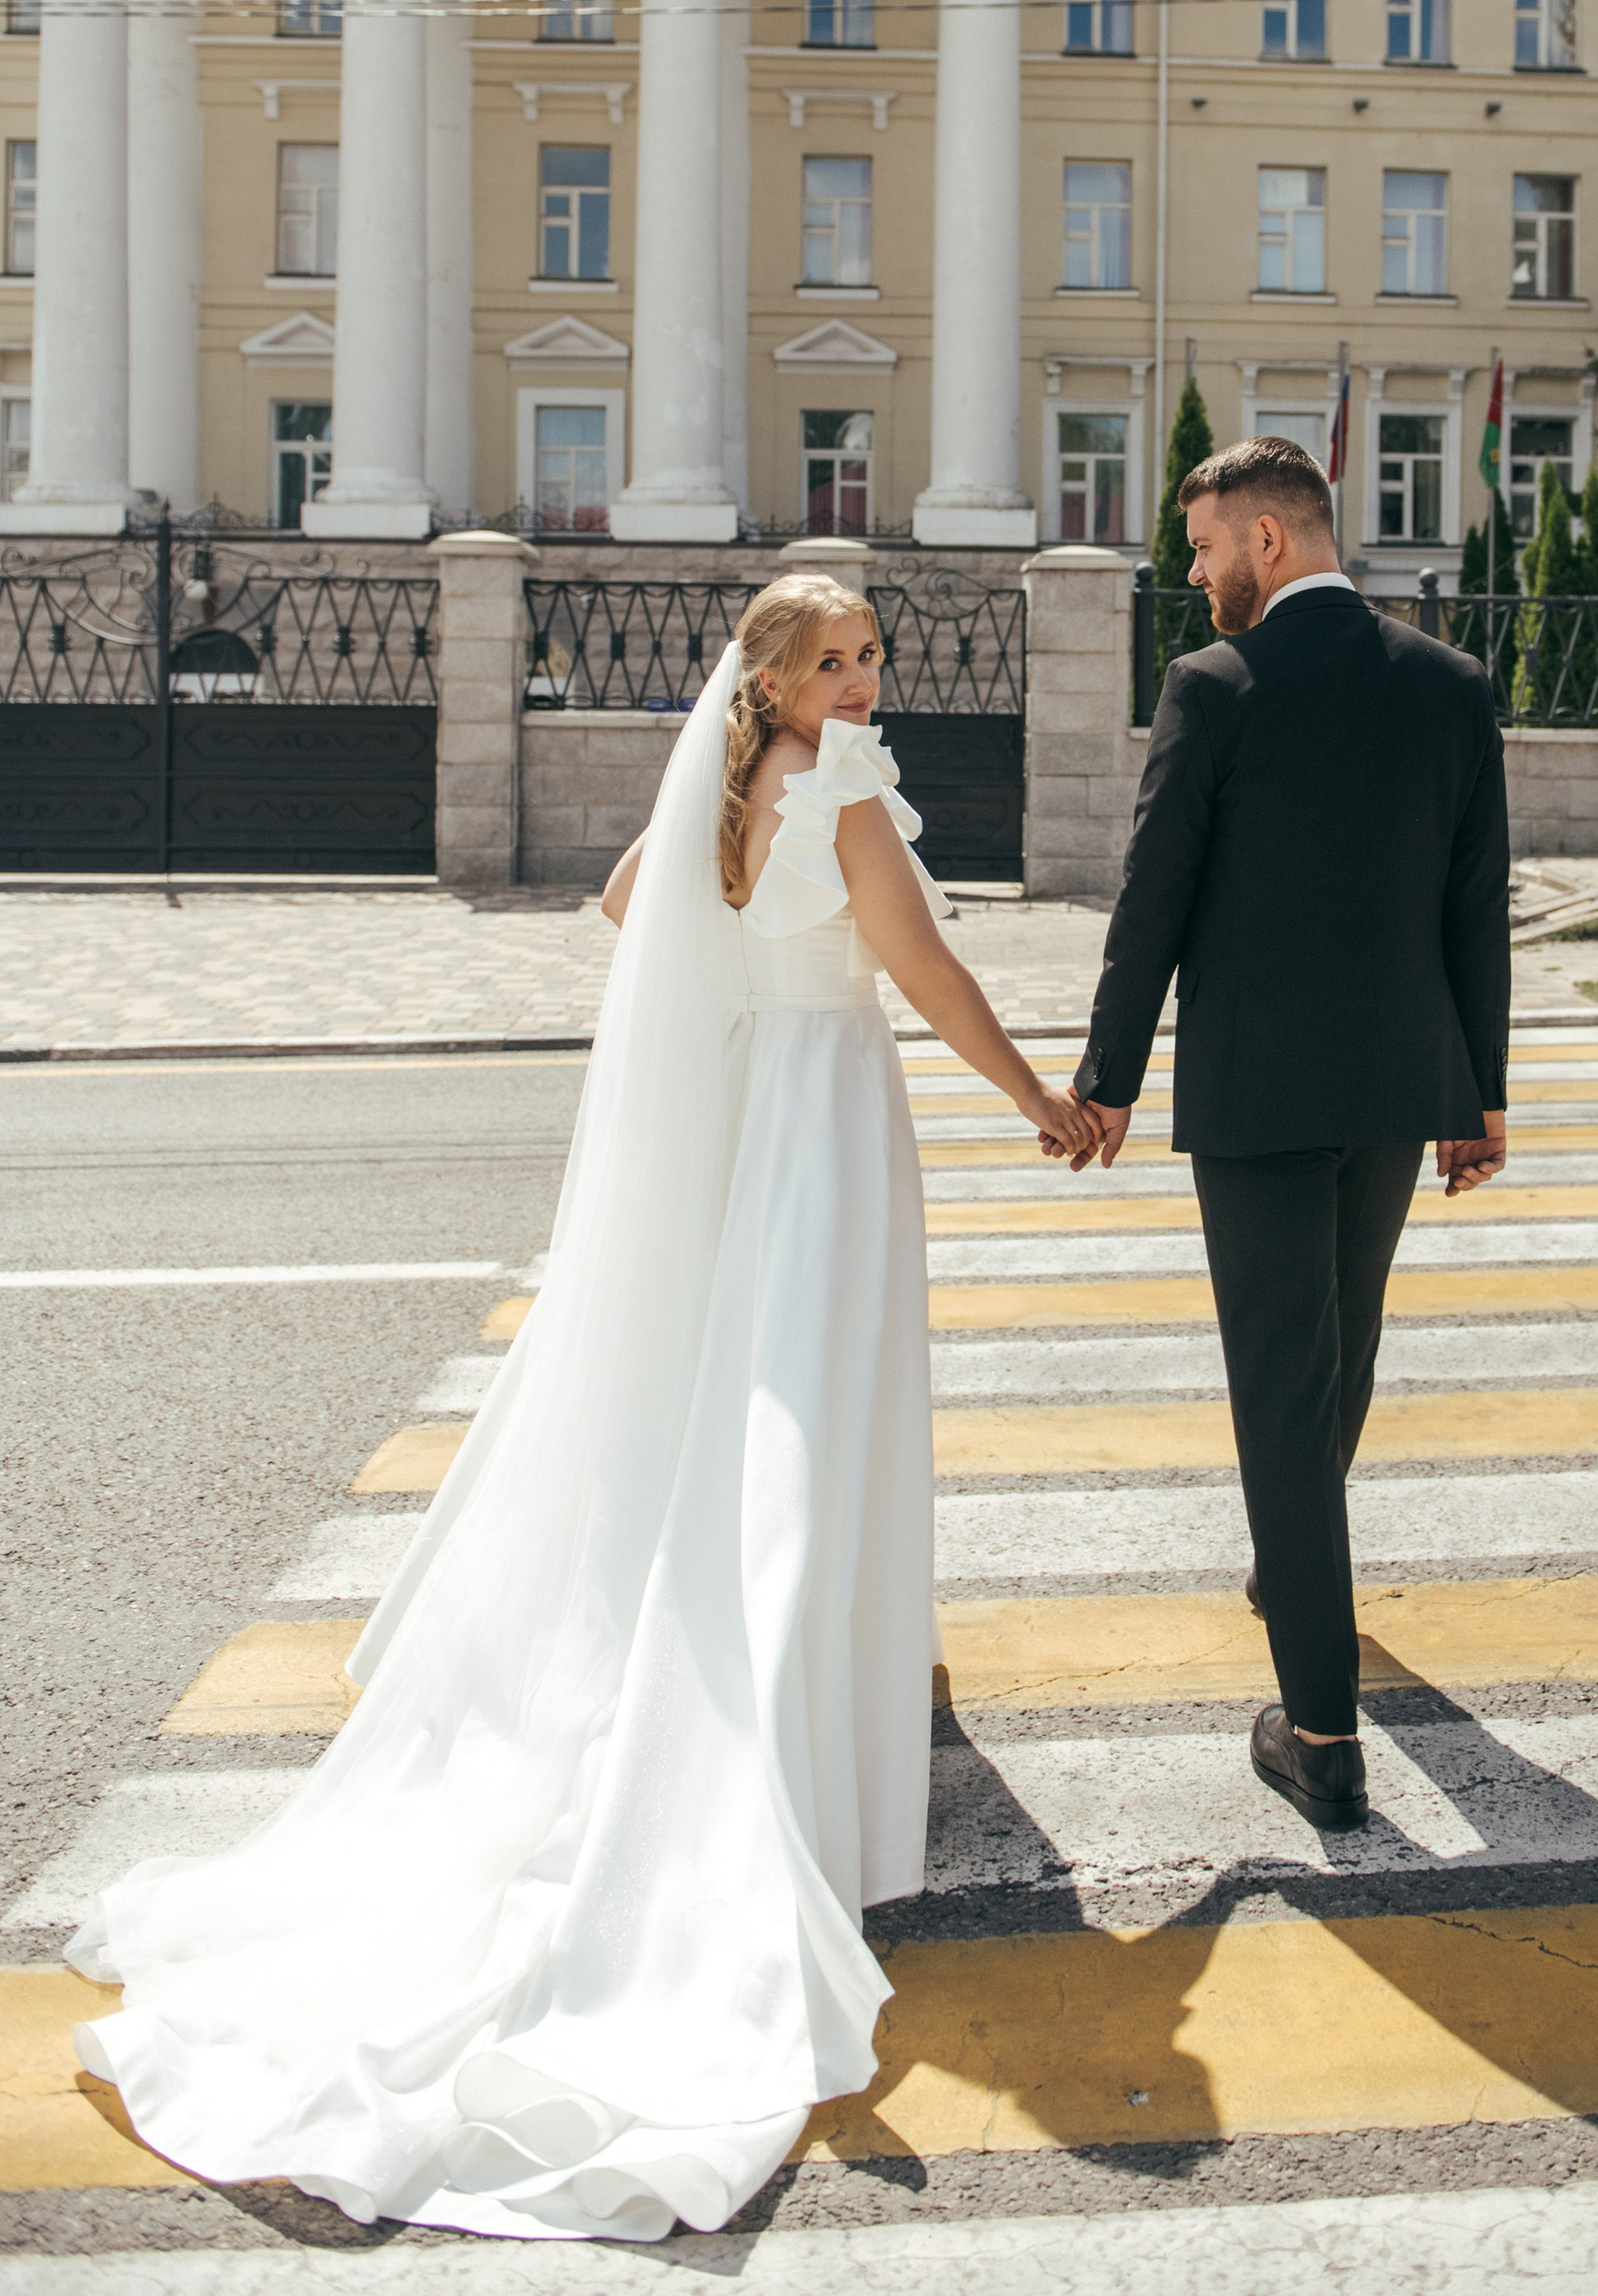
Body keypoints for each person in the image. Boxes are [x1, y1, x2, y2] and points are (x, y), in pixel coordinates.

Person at [69, 572, 1092, 2242]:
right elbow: (920, 968)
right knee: (800, 1424)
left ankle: (779, 1682)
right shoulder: (838, 791)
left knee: (740, 1410)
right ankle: (782, 1730)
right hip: (823, 1120)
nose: (858, 682)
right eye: (831, 662)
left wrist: (741, 976)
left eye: (864, 657)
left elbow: (630, 905)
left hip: (745, 1109)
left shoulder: (725, 781)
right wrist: (1039, 1097)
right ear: (774, 678)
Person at [1070, 436, 1510, 1833]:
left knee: (1282, 1383)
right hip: (1395, 1086)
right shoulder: (1450, 684)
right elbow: (1475, 905)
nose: (1193, 576)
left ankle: (1321, 1734)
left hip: (1259, 1093)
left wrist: (1106, 1077)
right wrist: (1479, 1093)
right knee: (1344, 1345)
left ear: (1269, 539)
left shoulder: (1216, 690)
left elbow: (1154, 896)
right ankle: (1295, 1564)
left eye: (1203, 549)